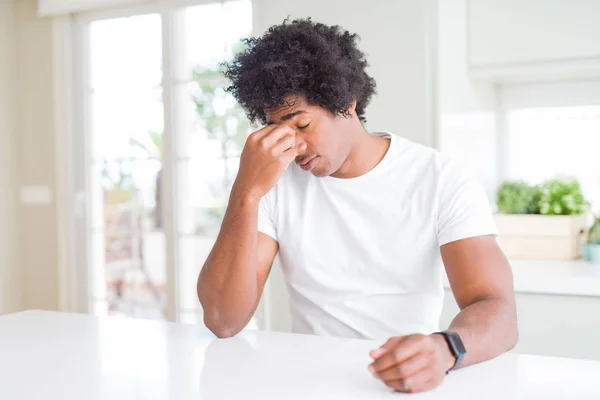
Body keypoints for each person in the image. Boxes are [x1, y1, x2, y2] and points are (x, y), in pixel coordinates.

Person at [197, 18, 518, 394]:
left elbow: (499, 310)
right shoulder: (275, 184)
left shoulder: (440, 179)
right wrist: (246, 191)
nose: (293, 146)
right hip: (306, 384)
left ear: (346, 101)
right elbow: (223, 319)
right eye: (277, 130)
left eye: (300, 124)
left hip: (400, 383)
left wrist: (446, 348)